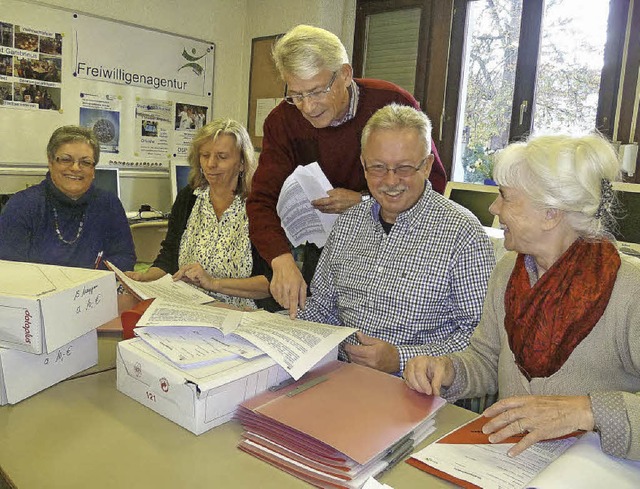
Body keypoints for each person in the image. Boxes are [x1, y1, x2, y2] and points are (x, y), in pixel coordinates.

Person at [404, 133, 640, 460]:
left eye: (505, 197)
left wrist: (588, 411)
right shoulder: (507, 272)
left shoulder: (630, 288)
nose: (493, 207)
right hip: (512, 460)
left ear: (551, 213)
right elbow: (487, 360)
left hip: (594, 469)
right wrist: (448, 370)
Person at [247, 24, 449, 317]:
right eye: (297, 94)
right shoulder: (283, 120)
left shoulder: (390, 102)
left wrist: (364, 202)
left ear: (344, 74)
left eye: (317, 91)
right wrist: (281, 261)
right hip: (323, 248)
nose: (307, 107)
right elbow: (261, 201)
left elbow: (433, 183)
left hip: (393, 242)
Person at [297, 104, 495, 375]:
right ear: (364, 166)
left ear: (426, 166)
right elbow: (322, 308)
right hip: (339, 378)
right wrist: (273, 328)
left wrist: (400, 359)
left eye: (403, 168)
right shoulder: (347, 224)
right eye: (378, 168)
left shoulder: (463, 234)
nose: (390, 181)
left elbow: (478, 342)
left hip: (418, 393)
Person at [125, 119, 275, 310]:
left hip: (240, 313)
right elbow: (170, 256)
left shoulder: (260, 205)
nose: (211, 164)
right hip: (189, 306)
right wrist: (146, 278)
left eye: (222, 157)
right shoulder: (189, 197)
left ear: (242, 164)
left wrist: (213, 283)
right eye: (205, 155)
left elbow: (271, 283)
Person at [0, 125, 135, 271]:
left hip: (95, 290)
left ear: (93, 169)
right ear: (51, 163)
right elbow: (10, 269)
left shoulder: (109, 204)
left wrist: (90, 283)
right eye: (66, 160)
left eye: (85, 162)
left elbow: (125, 257)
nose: (76, 168)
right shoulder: (22, 206)